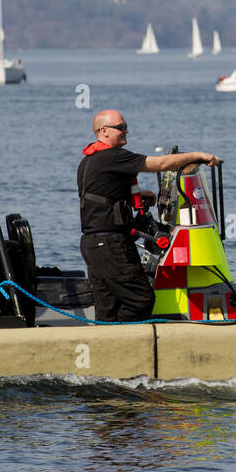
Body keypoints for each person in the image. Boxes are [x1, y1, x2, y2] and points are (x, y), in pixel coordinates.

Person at [78, 109, 220, 322]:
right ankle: (128, 339)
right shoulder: (113, 156)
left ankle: (110, 346)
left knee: (107, 307)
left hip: (93, 244)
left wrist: (136, 195)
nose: (127, 131)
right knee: (140, 299)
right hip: (111, 245)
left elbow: (101, 194)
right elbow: (161, 164)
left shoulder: (90, 161)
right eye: (121, 128)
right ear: (104, 131)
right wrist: (198, 156)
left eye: (126, 126)